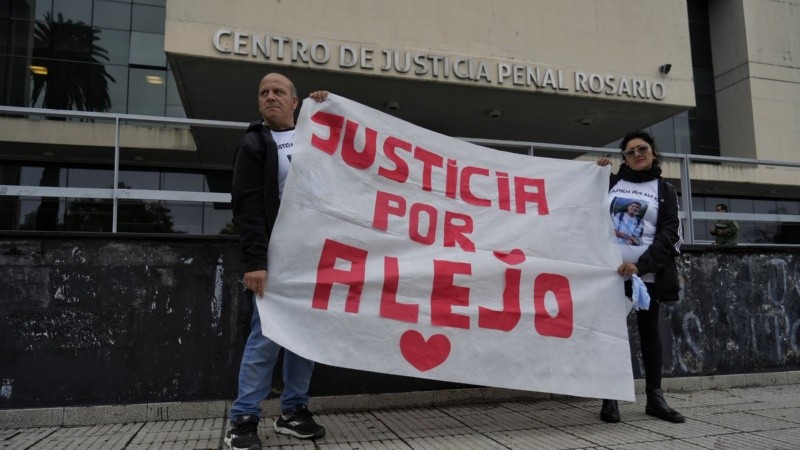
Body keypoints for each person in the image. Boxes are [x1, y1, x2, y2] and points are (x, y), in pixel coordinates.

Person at [227, 72, 329, 450]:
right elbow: (247, 208)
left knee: (304, 339)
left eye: (279, 92)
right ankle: (243, 419)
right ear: (259, 104)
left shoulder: (313, 136)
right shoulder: (254, 144)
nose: (271, 97)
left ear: (295, 101)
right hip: (274, 259)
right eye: (264, 93)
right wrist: (256, 262)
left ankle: (293, 412)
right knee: (266, 336)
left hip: (312, 259)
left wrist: (327, 105)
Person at [596, 130, 685, 424]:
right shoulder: (610, 182)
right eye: (630, 151)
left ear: (653, 152)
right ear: (624, 157)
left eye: (642, 148)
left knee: (649, 332)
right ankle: (610, 399)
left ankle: (655, 398)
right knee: (612, 335)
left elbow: (669, 233)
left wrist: (641, 265)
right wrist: (591, 177)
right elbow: (583, 213)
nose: (637, 154)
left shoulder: (665, 190)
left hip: (645, 276)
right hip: (608, 273)